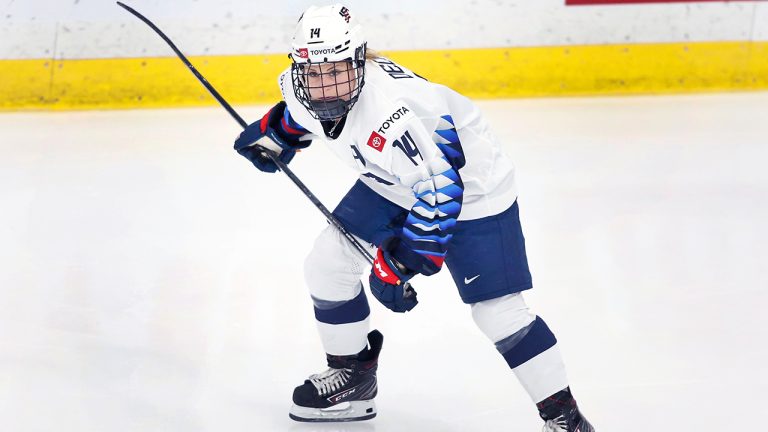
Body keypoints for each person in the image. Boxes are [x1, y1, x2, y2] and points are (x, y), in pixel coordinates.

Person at [233, 4, 595, 431]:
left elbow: (442, 191)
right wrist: (278, 135)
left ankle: (565, 419)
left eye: (337, 72)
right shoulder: (307, 86)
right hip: (395, 180)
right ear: (299, 69)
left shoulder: (392, 114)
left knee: (497, 312)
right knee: (328, 265)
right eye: (314, 74)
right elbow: (302, 112)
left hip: (473, 187)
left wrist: (401, 262)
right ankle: (353, 377)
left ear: (358, 61)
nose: (326, 87)